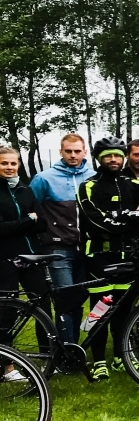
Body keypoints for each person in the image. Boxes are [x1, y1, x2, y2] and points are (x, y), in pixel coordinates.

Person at [78, 139, 139, 380]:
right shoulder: (89, 186)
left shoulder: (135, 185)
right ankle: (98, 361)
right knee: (101, 308)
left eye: (117, 155)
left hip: (127, 255)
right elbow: (94, 221)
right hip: (99, 256)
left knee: (124, 310)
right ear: (99, 158)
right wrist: (128, 219)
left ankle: (120, 357)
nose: (113, 160)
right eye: (108, 156)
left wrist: (118, 218)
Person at [30, 133, 93, 342]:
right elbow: (31, 208)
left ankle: (74, 345)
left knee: (80, 298)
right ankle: (66, 348)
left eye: (77, 151)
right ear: (61, 152)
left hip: (87, 247)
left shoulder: (93, 176)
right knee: (65, 300)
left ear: (84, 152)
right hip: (58, 249)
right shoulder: (44, 178)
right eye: (68, 151)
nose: (73, 155)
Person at [0, 146, 46, 379]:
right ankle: (7, 366)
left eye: (13, 163)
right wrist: (28, 220)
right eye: (4, 163)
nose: (9, 167)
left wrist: (20, 224)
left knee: (43, 306)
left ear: (18, 164)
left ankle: (48, 358)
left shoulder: (26, 191)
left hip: (31, 256)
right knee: (6, 311)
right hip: (5, 258)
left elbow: (43, 223)